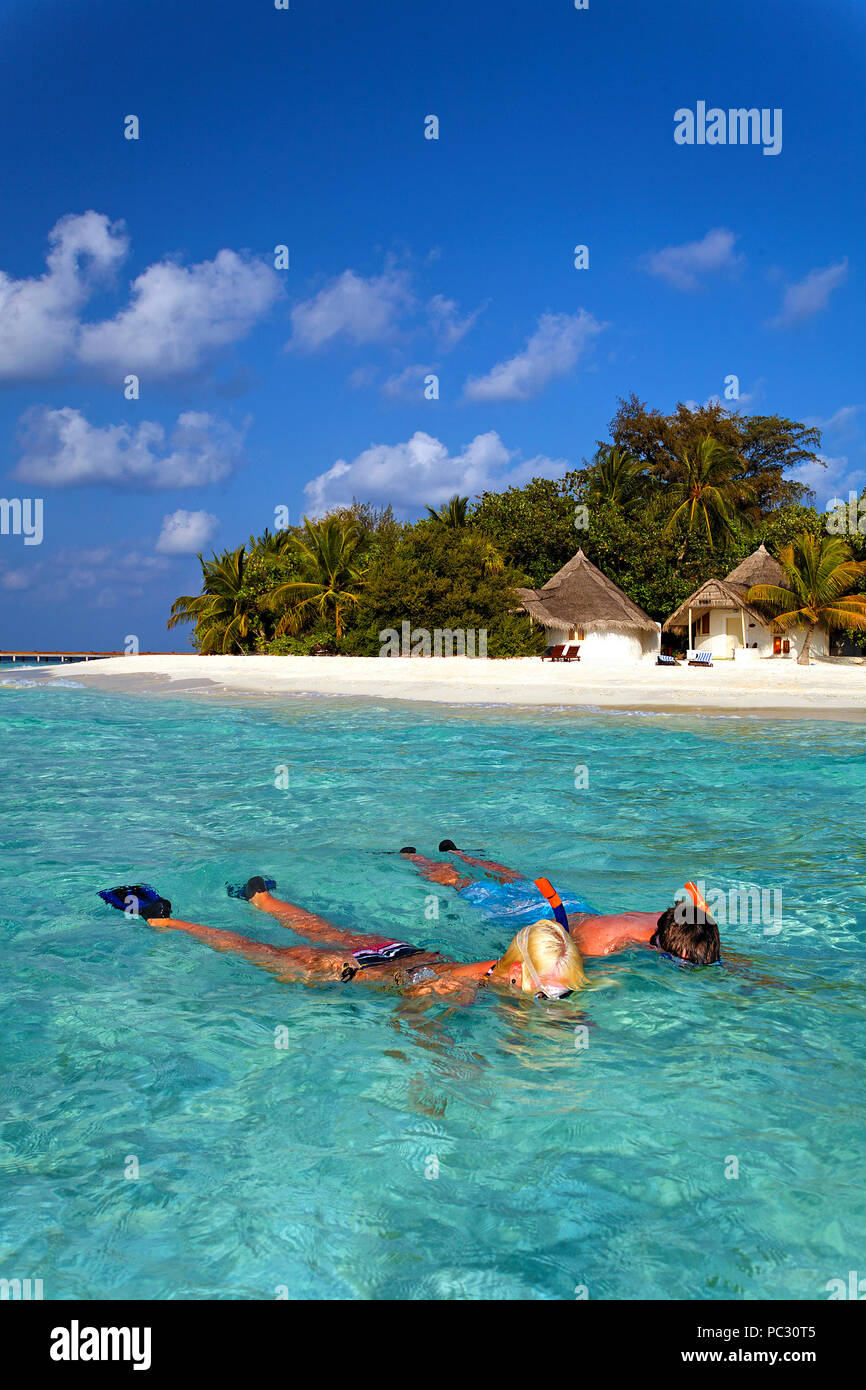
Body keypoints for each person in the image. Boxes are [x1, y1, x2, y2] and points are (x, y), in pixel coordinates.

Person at [96, 876, 588, 1002]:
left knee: (325, 928)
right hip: (350, 969)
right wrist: (438, 1064)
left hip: (398, 950)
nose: (554, 1000)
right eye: (549, 995)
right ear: (521, 973)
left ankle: (262, 899)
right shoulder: (462, 988)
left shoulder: (497, 970)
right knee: (255, 951)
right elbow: (414, 1014)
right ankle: (164, 919)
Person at [401, 841, 721, 965]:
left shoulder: (680, 918)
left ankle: (458, 852)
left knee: (515, 879)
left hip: (568, 902)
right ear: (680, 952)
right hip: (547, 914)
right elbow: (563, 961)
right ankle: (415, 858)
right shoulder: (605, 943)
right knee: (464, 885)